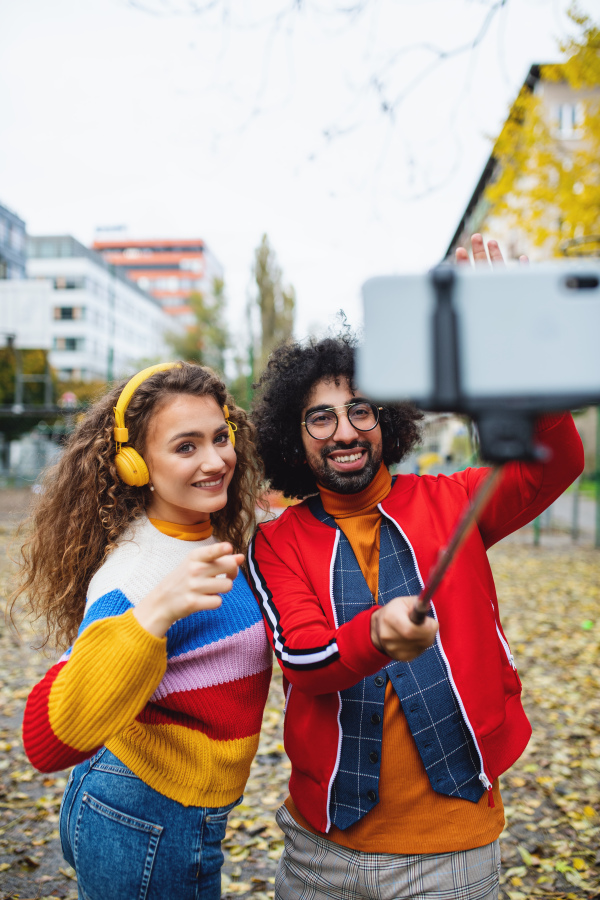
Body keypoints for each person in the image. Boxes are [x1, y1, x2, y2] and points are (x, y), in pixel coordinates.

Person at [247, 238, 584, 900]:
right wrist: (375, 636)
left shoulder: (457, 500)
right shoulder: (278, 542)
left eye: (360, 410)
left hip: (453, 853)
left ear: (387, 421)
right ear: (294, 436)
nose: (344, 431)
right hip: (321, 853)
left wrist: (509, 329)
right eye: (320, 418)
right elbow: (305, 658)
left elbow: (559, 457)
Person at [14, 362, 272, 900]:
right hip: (142, 816)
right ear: (135, 466)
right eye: (186, 447)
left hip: (183, 813)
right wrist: (154, 614)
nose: (215, 460)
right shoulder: (137, 574)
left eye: (220, 438)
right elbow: (45, 739)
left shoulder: (201, 533)